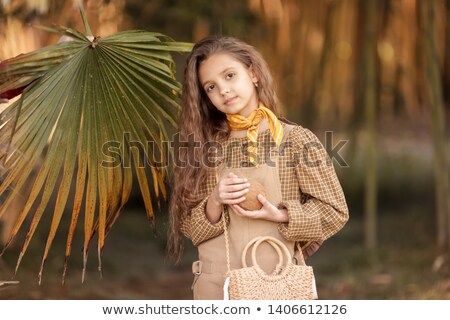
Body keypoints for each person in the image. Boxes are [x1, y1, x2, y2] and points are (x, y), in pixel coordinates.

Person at [168, 35, 349, 300]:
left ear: (252, 73)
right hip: (217, 288)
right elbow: (188, 226)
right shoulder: (202, 148)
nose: (223, 90)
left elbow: (334, 212)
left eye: (230, 76)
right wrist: (215, 201)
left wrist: (282, 215)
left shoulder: (295, 140)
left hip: (278, 283)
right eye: (211, 87)